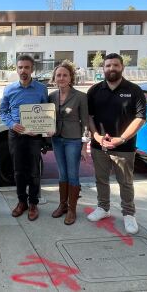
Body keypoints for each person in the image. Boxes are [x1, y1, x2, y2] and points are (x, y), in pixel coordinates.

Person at [86, 53, 146, 235]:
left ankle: (129, 214)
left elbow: (141, 118)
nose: (111, 68)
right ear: (103, 69)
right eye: (108, 65)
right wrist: (96, 136)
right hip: (100, 146)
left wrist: (122, 138)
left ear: (122, 67)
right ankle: (103, 208)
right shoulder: (94, 91)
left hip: (125, 147)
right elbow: (89, 117)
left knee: (125, 182)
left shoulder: (134, 90)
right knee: (101, 179)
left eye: (115, 65)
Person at [0, 54, 48, 221]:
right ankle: (22, 202)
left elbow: (46, 112)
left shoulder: (41, 88)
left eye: (27, 67)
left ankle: (33, 202)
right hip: (16, 134)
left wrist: (41, 128)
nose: (23, 70)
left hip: (34, 136)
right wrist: (12, 124)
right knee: (18, 170)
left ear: (32, 69)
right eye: (20, 67)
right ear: (17, 69)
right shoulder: (9, 89)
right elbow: (3, 112)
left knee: (34, 170)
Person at [48, 61, 89, 225]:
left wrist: (85, 146)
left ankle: (72, 209)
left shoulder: (80, 96)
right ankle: (62, 205)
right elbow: (46, 119)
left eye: (65, 75)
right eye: (58, 75)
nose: (61, 78)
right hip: (57, 139)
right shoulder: (51, 97)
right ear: (54, 78)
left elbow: (85, 122)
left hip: (73, 140)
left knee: (73, 174)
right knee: (62, 173)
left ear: (71, 77)